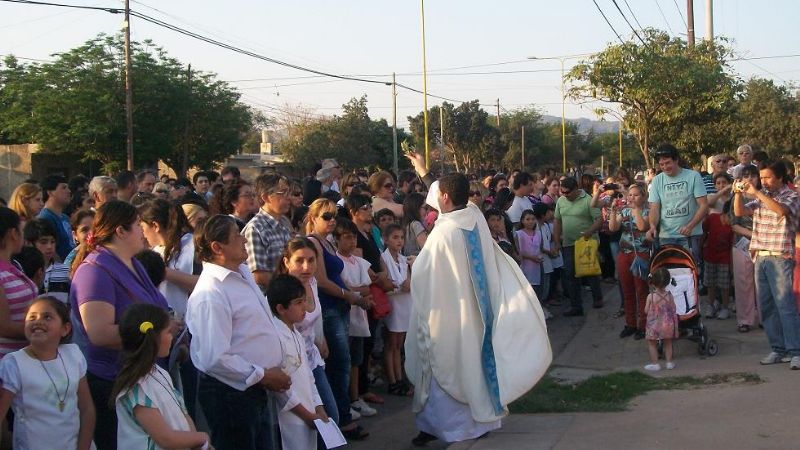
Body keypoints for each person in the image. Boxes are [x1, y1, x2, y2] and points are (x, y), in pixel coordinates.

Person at [404, 172, 551, 446]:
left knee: (444, 368)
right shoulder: (475, 220)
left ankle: (448, 428)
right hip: (478, 312)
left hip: (450, 315)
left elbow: (427, 273)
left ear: (445, 197)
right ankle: (476, 421)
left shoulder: (444, 232)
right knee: (474, 367)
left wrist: (415, 264)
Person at [69, 200, 170, 450]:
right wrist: (153, 334)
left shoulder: (133, 263)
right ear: (120, 231)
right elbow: (100, 333)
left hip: (141, 374)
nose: (143, 231)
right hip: (113, 383)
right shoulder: (94, 271)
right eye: (137, 225)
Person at [186, 215, 291, 450]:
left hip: (252, 388)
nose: (244, 239)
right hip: (231, 395)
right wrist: (263, 375)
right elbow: (215, 358)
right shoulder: (210, 294)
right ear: (217, 247)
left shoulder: (241, 272)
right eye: (236, 235)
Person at [305, 199, 370, 440]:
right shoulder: (313, 242)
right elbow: (321, 281)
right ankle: (340, 418)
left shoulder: (328, 242)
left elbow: (337, 278)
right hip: (330, 309)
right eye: (326, 217)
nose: (332, 220)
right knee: (339, 363)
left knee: (342, 362)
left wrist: (353, 293)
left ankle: (340, 413)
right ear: (313, 218)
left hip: (339, 307)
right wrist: (350, 295)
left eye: (334, 216)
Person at [0, 297, 95, 449]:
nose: (37, 321)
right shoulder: (14, 364)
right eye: (32, 317)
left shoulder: (73, 355)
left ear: (65, 329)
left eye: (47, 317)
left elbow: (87, 410)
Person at [113, 303, 209, 450]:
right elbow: (166, 439)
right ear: (154, 338)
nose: (172, 337)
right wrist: (202, 437)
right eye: (168, 332)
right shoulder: (137, 390)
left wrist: (195, 441)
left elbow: (182, 413)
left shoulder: (159, 372)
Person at [733, 160, 800, 369]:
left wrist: (757, 192)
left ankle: (795, 351)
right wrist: (737, 193)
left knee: (785, 306)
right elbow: (739, 212)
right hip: (760, 256)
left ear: (780, 177)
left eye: (768, 177)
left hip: (780, 256)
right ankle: (778, 349)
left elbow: (781, 211)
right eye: (761, 178)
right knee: (767, 307)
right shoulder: (762, 197)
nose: (763, 182)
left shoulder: (792, 196)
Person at [277, 237, 340, 429]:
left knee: (329, 416)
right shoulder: (279, 293)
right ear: (287, 262)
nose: (306, 267)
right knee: (311, 422)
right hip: (292, 364)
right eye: (299, 261)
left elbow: (315, 316)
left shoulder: (312, 282)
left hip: (312, 358)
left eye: (311, 260)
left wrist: (321, 340)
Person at [267, 275, 329, 450]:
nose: (305, 308)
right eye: (298, 303)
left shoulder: (296, 334)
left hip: (308, 411)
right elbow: (282, 391)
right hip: (291, 417)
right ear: (281, 308)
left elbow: (309, 376)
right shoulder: (276, 339)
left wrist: (318, 406)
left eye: (304, 301)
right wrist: (307, 415)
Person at [333, 219, 377, 419]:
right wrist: (355, 292)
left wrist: (356, 292)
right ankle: (347, 401)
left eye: (354, 237)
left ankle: (356, 396)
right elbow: (345, 289)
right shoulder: (336, 261)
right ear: (337, 239)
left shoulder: (359, 262)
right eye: (347, 238)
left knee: (357, 360)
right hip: (344, 316)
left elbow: (367, 287)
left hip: (359, 316)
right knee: (344, 360)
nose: (351, 242)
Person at [646, 144, 709, 266]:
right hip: (666, 236)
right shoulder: (657, 180)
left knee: (690, 273)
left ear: (676, 160)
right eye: (662, 164)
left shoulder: (693, 176)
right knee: (668, 275)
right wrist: (653, 226)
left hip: (690, 236)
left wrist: (690, 226)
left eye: (668, 163)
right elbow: (654, 208)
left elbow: (703, 206)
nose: (665, 167)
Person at [553, 176, 603, 316]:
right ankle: (576, 306)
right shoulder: (561, 201)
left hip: (587, 243)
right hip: (569, 243)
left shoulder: (588, 200)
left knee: (590, 271)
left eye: (567, 192)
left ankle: (597, 298)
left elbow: (599, 220)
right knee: (570, 274)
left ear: (576, 189)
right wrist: (557, 241)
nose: (564, 195)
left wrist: (589, 232)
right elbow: (557, 221)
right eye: (562, 192)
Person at [609, 183, 650, 339]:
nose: (632, 198)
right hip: (624, 254)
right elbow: (613, 228)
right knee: (627, 291)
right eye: (630, 195)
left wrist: (636, 210)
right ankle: (630, 324)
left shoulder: (648, 210)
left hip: (640, 254)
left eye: (636, 195)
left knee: (641, 291)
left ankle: (643, 325)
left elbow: (642, 226)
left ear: (643, 196)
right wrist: (613, 211)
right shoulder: (624, 210)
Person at [243, 173, 293, 292]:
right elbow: (259, 276)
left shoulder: (284, 223)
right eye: (283, 193)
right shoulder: (255, 229)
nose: (289, 197)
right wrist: (290, 287)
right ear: (265, 197)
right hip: (271, 300)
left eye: (289, 192)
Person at [0, 208, 38, 359]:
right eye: (21, 231)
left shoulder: (13, 266)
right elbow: (3, 326)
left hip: (21, 360)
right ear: (13, 234)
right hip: (5, 365)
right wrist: (46, 329)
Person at [382, 223, 413, 396]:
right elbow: (387, 282)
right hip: (394, 304)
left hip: (405, 304)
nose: (399, 241)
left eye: (401, 237)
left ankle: (400, 378)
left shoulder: (403, 259)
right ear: (386, 240)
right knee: (391, 343)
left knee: (399, 344)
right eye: (395, 237)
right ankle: (393, 380)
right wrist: (401, 286)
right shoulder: (384, 258)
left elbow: (408, 279)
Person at [731, 166, 759, 333]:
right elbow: (734, 225)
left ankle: (765, 318)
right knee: (743, 285)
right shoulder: (736, 197)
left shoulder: (765, 196)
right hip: (742, 244)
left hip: (764, 244)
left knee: (762, 284)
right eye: (746, 176)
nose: (749, 179)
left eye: (753, 176)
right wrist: (754, 235)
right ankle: (745, 320)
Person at [24, 219, 71, 303]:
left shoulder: (65, 271)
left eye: (52, 242)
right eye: (43, 242)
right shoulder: (23, 272)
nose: (49, 246)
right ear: (29, 243)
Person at [702, 201, 734, 320]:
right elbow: (704, 231)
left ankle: (725, 307)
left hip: (724, 258)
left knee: (724, 284)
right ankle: (711, 305)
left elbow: (731, 246)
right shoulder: (712, 218)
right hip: (709, 255)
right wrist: (701, 248)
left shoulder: (733, 227)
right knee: (710, 283)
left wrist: (731, 266)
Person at [644, 268, 678, 371]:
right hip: (667, 325)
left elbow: (646, 310)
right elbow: (674, 310)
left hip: (654, 326)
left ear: (653, 282)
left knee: (652, 343)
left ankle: (655, 364)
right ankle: (669, 363)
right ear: (667, 282)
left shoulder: (651, 296)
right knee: (668, 343)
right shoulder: (669, 296)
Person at [38, 174, 76, 261]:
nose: (69, 191)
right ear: (50, 192)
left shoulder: (65, 217)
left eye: (68, 188)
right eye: (64, 188)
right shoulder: (45, 218)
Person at [515, 209, 543, 298]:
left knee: (536, 291)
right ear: (522, 221)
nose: (531, 221)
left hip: (536, 267)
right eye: (528, 219)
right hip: (524, 266)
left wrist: (539, 257)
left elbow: (540, 248)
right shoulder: (519, 234)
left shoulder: (538, 233)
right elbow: (517, 252)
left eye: (533, 219)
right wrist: (531, 257)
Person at [401, 192, 428, 257]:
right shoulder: (416, 224)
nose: (427, 211)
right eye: (425, 208)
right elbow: (426, 249)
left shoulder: (406, 225)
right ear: (416, 208)